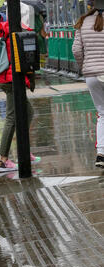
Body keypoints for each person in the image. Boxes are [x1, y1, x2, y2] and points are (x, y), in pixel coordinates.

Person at [0, 21, 40, 173]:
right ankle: (3, 159)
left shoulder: (3, 33)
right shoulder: (18, 35)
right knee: (12, 117)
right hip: (11, 80)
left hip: (3, 77)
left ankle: (23, 150)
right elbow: (27, 58)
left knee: (28, 112)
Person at [72, 1, 104, 168]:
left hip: (91, 75)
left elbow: (76, 50)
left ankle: (101, 153)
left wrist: (85, 65)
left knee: (102, 113)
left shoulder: (83, 21)